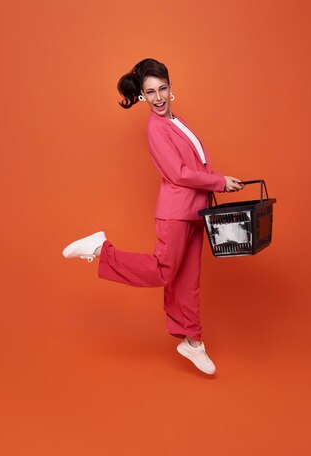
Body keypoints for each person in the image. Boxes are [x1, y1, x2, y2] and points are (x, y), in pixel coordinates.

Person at [62, 58, 244, 375]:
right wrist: (219, 182)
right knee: (163, 271)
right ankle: (100, 250)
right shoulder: (156, 128)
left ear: (171, 89)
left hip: (195, 213)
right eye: (150, 92)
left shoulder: (178, 122)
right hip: (175, 213)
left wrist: (214, 188)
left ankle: (192, 342)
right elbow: (178, 173)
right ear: (143, 97)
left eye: (162, 89)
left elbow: (196, 165)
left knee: (188, 280)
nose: (157, 98)